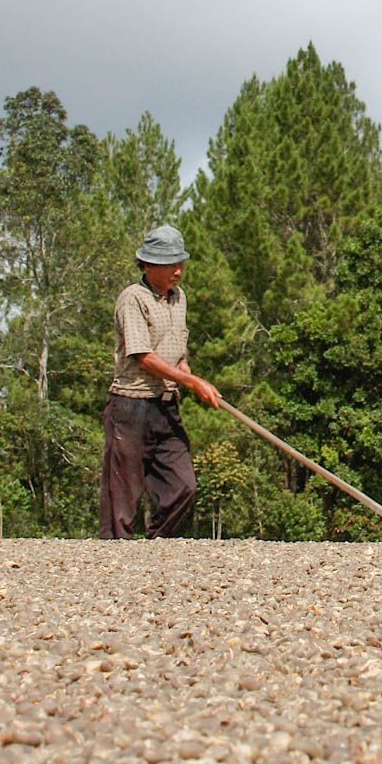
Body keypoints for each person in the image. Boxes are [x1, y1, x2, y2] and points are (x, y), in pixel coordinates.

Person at [99, 225, 222, 539]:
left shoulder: (179, 298)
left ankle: (159, 549)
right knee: (123, 500)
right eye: (171, 264)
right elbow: (145, 357)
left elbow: (176, 354)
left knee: (183, 487)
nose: (178, 271)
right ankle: (114, 565)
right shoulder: (133, 299)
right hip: (131, 406)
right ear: (148, 264)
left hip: (166, 406)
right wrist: (192, 382)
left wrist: (190, 376)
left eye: (181, 263)